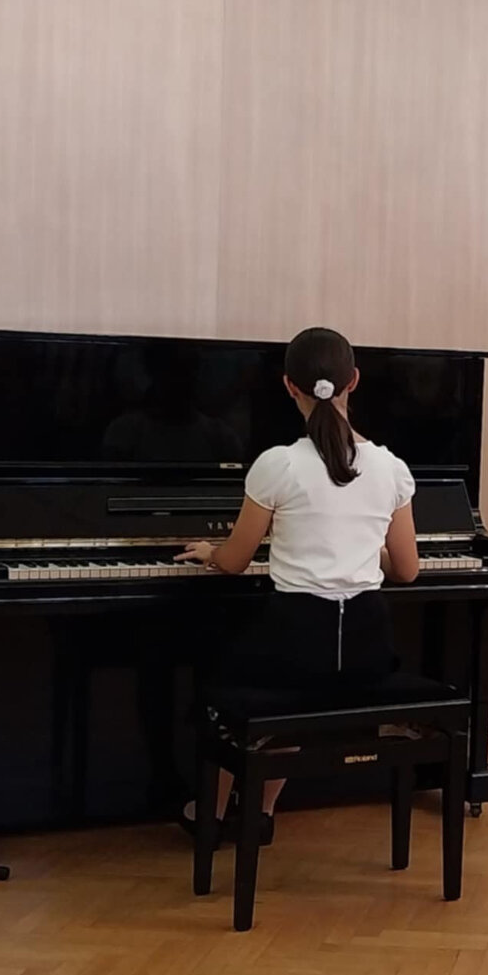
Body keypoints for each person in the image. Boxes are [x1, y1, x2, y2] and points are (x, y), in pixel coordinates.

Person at [174, 326, 421, 842]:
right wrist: (362, 547)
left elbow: (235, 561)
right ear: (355, 381)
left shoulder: (277, 464)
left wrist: (209, 551)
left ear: (289, 386)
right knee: (288, 692)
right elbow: (407, 570)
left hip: (296, 646)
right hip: (366, 650)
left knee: (232, 679)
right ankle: (262, 811)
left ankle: (212, 813)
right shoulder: (391, 468)